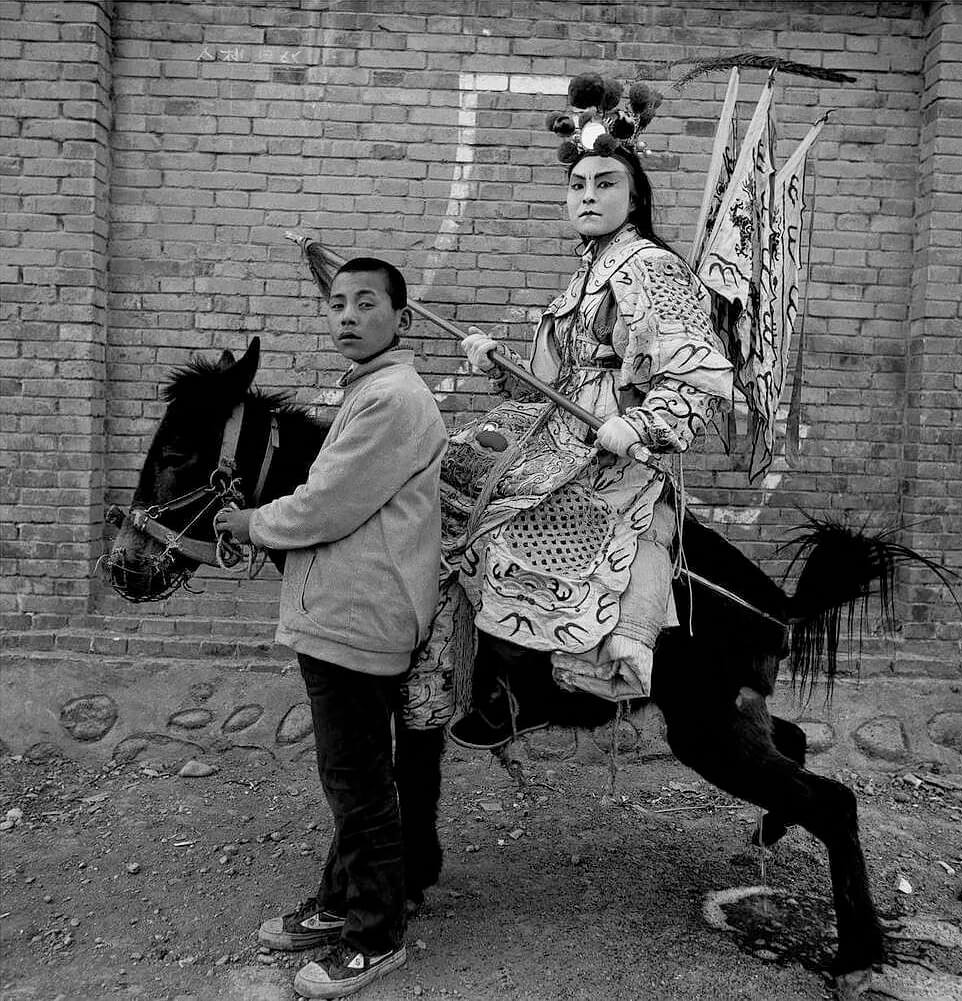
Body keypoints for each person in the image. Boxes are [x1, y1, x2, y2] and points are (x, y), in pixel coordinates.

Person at [440, 74, 734, 750]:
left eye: (605, 183)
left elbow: (689, 370)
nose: (588, 195)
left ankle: (560, 679)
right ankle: (479, 673)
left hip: (612, 452)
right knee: (455, 477)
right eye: (579, 185)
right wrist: (498, 364)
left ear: (634, 196)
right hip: (559, 431)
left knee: (533, 530)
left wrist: (638, 423)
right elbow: (551, 380)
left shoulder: (650, 267)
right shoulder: (585, 273)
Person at [215, 257, 447, 999]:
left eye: (366, 302)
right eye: (337, 303)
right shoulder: (371, 389)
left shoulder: (391, 399)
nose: (346, 315)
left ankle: (375, 935)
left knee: (359, 783)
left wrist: (251, 521)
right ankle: (341, 901)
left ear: (402, 319)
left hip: (360, 615)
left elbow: (324, 504)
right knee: (352, 775)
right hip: (346, 612)